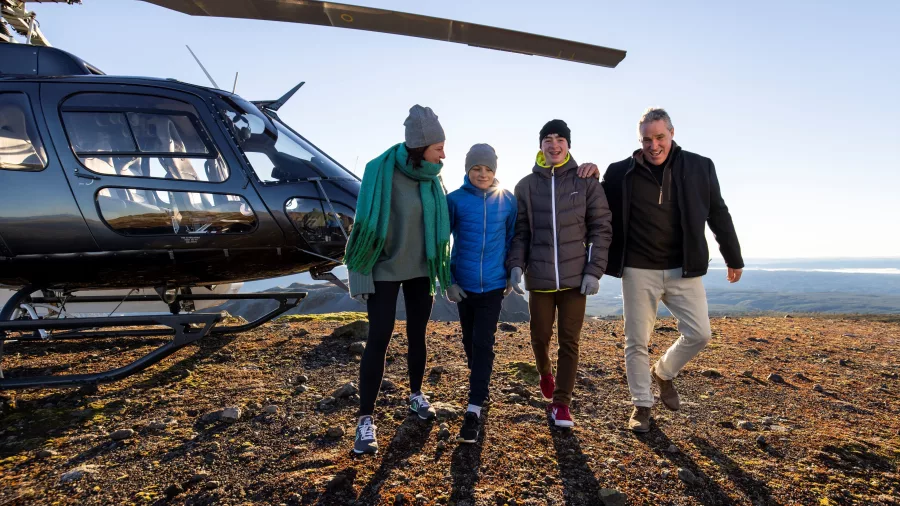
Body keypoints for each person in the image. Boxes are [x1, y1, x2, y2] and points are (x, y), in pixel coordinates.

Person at [601, 107, 744, 433]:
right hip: (638, 269)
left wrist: (733, 256)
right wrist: (588, 171)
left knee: (699, 333)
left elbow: (718, 213)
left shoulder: (699, 167)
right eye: (647, 139)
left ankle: (663, 373)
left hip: (683, 267)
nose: (654, 145)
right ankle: (641, 406)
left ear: (672, 133)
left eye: (660, 137)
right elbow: (595, 209)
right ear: (640, 140)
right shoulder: (620, 172)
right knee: (636, 340)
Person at [344, 105, 451, 454]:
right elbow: (363, 226)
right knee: (379, 338)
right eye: (439, 148)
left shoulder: (433, 179)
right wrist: (360, 277)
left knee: (418, 334)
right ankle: (365, 420)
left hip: (422, 268)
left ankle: (416, 394)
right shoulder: (380, 172)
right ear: (421, 146)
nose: (443, 154)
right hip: (385, 268)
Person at [507, 119, 613, 428]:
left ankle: (562, 404)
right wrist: (516, 264)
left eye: (560, 139)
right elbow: (521, 231)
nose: (554, 145)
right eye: (548, 139)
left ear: (568, 145)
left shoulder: (586, 182)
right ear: (540, 146)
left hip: (575, 279)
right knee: (540, 337)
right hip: (539, 279)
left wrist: (594, 271)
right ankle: (544, 372)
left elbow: (601, 229)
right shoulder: (525, 185)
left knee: (570, 341)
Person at [445, 143, 517, 443]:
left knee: (483, 342)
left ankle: (474, 408)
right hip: (463, 286)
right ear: (467, 169)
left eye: (488, 169)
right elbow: (442, 243)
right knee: (469, 342)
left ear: (495, 171)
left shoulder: (508, 201)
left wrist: (513, 272)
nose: (482, 174)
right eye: (477, 168)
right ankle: (481, 384)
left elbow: (514, 239)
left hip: (494, 285)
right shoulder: (454, 200)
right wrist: (447, 281)